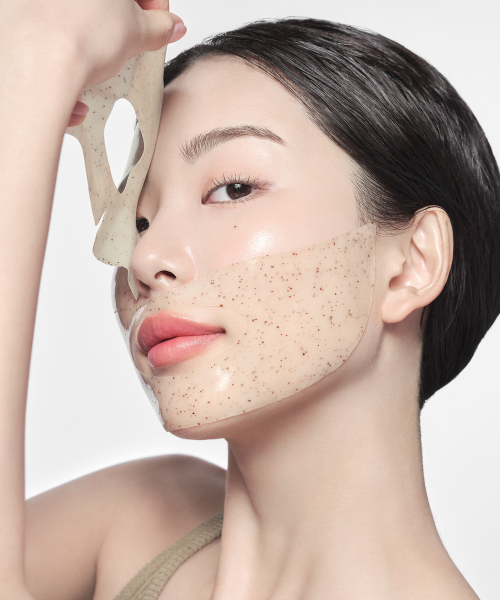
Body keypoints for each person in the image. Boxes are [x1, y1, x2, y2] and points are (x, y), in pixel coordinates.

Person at [0, 1, 498, 599]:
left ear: (411, 265)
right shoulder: (134, 518)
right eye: (137, 220)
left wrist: (42, 55)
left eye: (233, 188)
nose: (144, 257)